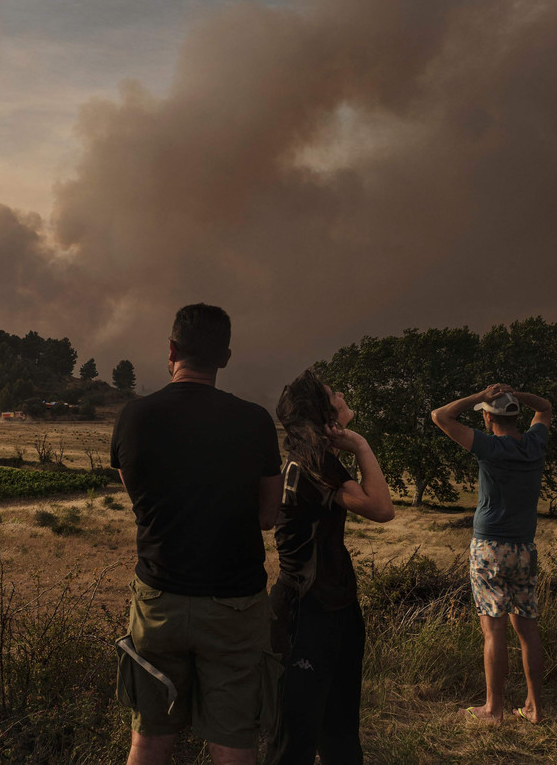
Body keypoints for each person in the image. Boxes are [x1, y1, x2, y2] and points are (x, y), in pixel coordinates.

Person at [110, 303, 284, 765]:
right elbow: (269, 516)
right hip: (234, 605)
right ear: (225, 358)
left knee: (148, 741)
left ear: (171, 350)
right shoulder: (255, 421)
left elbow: (138, 500)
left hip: (159, 602)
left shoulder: (135, 417)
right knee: (233, 741)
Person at [266, 370, 394, 765]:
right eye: (333, 395)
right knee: (302, 737)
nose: (342, 394)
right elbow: (381, 508)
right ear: (327, 418)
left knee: (324, 730)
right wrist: (361, 445)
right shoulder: (315, 464)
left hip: (325, 606)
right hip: (310, 611)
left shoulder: (309, 460)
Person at [431, 383, 553, 725]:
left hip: (490, 549)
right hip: (524, 549)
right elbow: (545, 407)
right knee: (528, 632)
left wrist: (478, 396)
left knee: (493, 631)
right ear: (516, 416)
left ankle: (493, 709)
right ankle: (534, 708)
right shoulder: (534, 443)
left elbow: (440, 416)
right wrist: (521, 396)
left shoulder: (489, 447)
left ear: (488, 417)